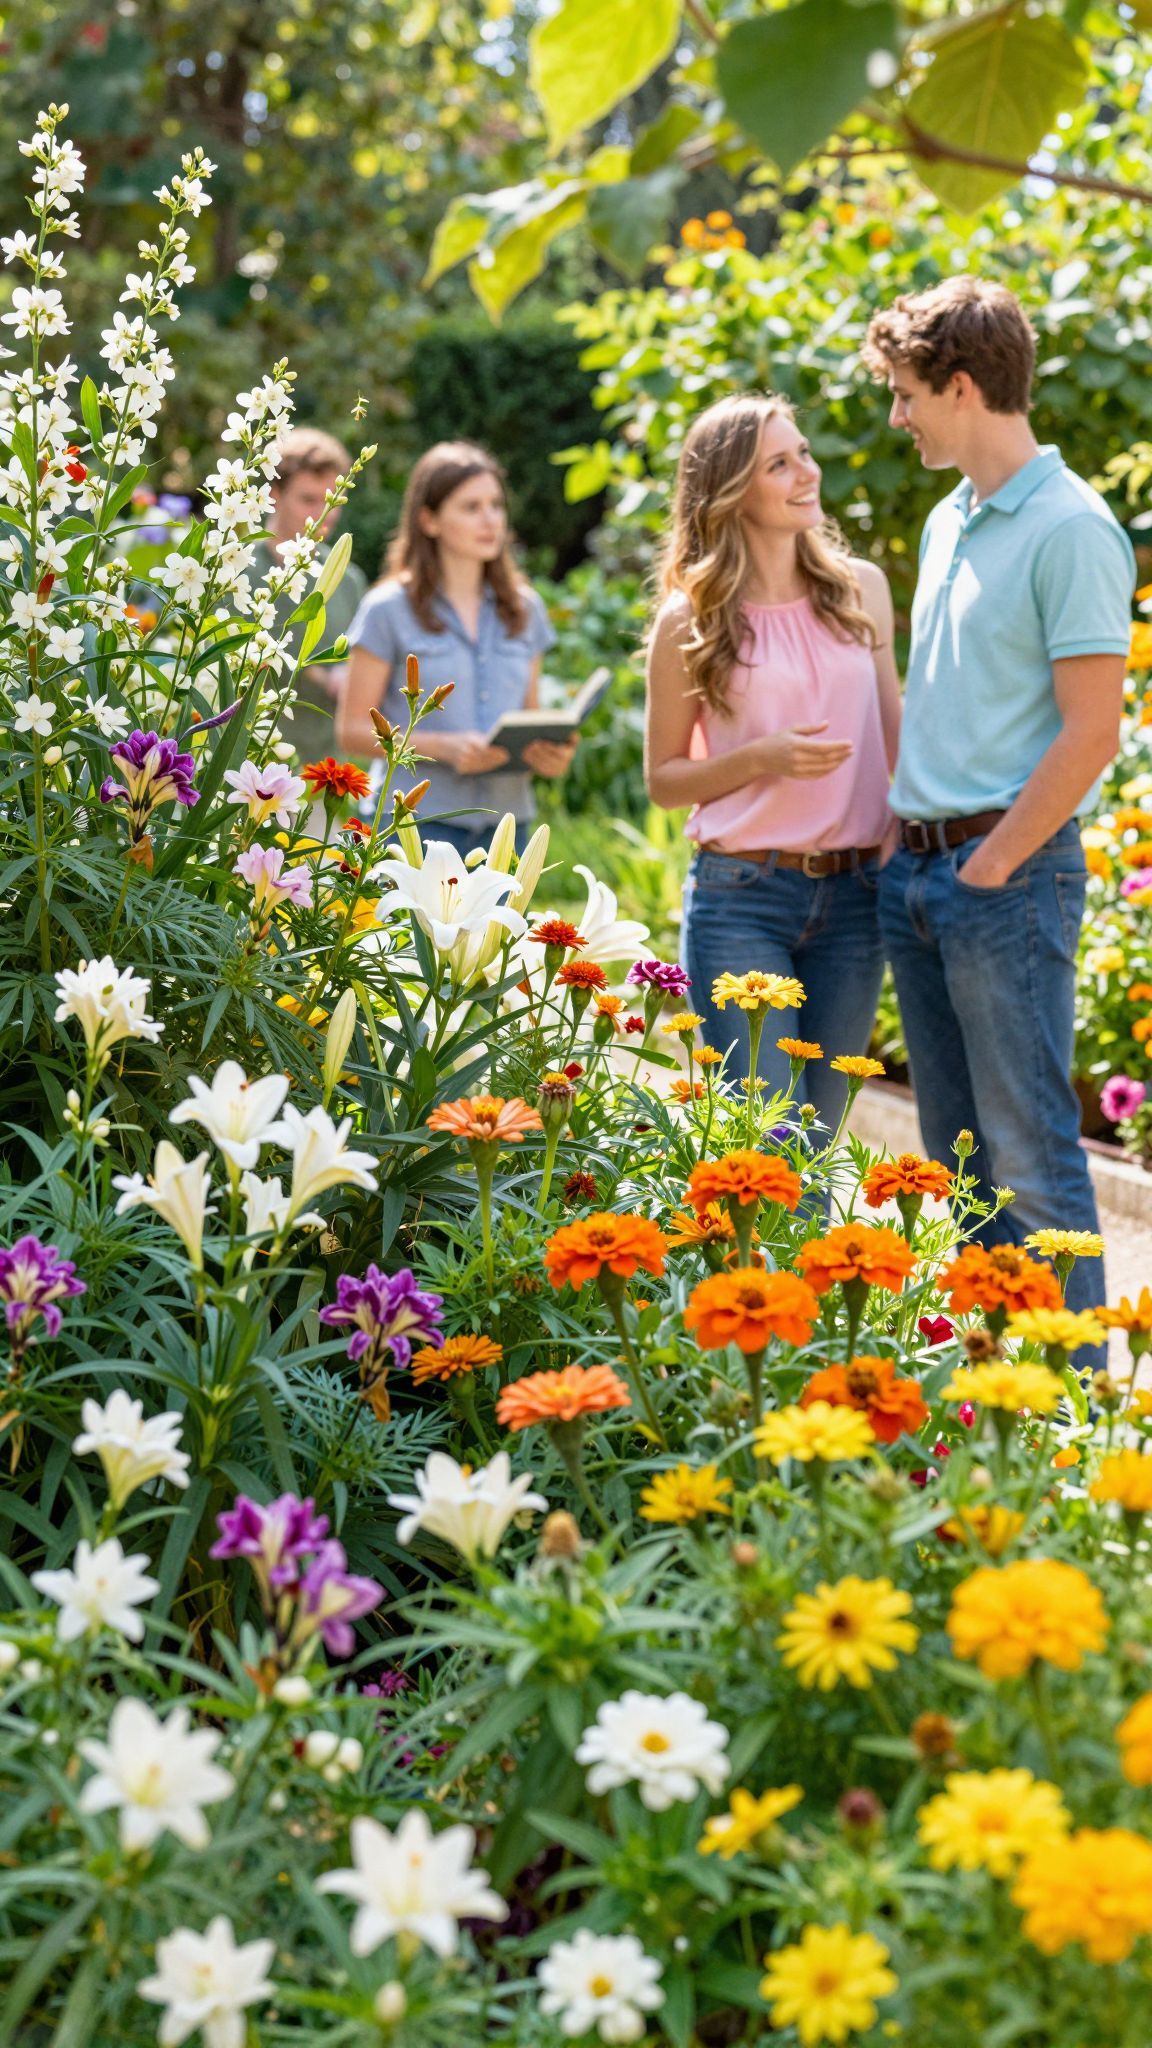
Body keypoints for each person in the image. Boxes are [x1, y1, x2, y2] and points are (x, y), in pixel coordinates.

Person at [863, 277, 1135, 1312]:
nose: (899, 416)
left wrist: (990, 863)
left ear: (962, 386)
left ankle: (1072, 1411)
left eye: (906, 394)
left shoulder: (1071, 529)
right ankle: (997, 1408)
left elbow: (1093, 730)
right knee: (960, 1161)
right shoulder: (949, 520)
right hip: (921, 878)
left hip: (1001, 884)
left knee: (1032, 1161)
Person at [645, 392, 901, 1127]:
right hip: (741, 896)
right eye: (779, 465)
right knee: (768, 1139)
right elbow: (664, 781)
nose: (805, 474)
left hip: (856, 899)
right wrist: (762, 758)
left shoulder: (861, 592)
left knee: (815, 1140)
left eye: (805, 454)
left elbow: (895, 734)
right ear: (730, 491)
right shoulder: (689, 619)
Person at [338, 440, 574, 862]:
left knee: (498, 934)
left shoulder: (525, 609)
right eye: (471, 507)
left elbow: (529, 716)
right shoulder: (387, 609)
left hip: (506, 831)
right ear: (429, 520)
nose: (491, 520)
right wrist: (444, 747)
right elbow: (352, 730)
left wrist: (550, 756)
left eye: (496, 505)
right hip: (409, 828)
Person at [255, 427, 368, 768]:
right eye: (308, 499)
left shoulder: (348, 580)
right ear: (275, 493)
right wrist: (324, 674)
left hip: (325, 770)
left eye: (333, 498)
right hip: (248, 764)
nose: (325, 512)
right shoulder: (238, 570)